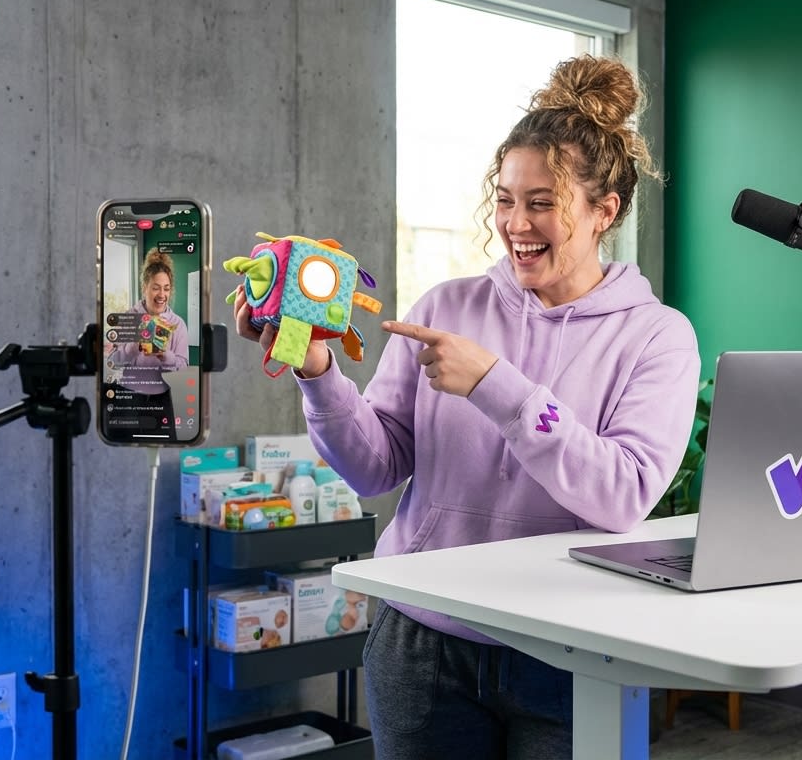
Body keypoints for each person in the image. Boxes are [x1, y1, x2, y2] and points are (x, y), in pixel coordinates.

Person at [235, 54, 700, 759]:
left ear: (604, 210)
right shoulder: (447, 307)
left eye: (542, 202)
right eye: (506, 199)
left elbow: (621, 494)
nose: (516, 223)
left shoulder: (656, 336)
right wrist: (319, 371)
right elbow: (373, 467)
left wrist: (496, 385)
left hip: (567, 649)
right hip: (424, 642)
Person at [108, 249, 187, 428]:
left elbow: (183, 369)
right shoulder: (129, 317)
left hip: (162, 401)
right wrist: (132, 348)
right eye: (156, 288)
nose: (161, 295)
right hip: (128, 400)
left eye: (166, 289)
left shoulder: (178, 324)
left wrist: (168, 358)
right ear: (145, 288)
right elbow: (113, 361)